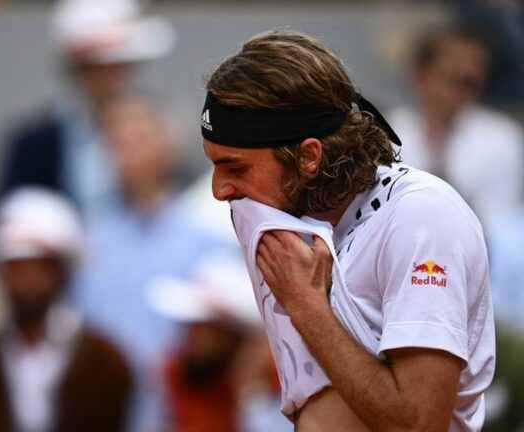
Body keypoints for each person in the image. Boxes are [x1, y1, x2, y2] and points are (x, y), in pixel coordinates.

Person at [200, 31, 495, 431]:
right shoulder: (285, 221)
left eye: (236, 168)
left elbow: (419, 425)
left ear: (308, 156)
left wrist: (307, 307)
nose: (220, 191)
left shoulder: (422, 217)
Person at [70, 94, 228, 429]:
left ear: (167, 146)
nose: (127, 154)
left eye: (138, 138)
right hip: (105, 413)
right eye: (115, 142)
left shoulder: (207, 238)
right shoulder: (87, 245)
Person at [0, 187, 133, 432]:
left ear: (63, 273)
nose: (26, 281)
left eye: (39, 268)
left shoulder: (107, 363)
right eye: (15, 268)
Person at [0, 0, 174, 217]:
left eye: (126, 65)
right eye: (109, 66)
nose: (121, 76)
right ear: (80, 69)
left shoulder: (156, 133)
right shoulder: (33, 144)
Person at [388, 24, 523, 225]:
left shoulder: (503, 138)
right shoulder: (382, 132)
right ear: (421, 77)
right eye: (451, 77)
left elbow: (502, 223)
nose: (459, 91)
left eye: (469, 82)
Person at [148, 253, 291, 432]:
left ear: (234, 335)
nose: (192, 336)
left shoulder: (279, 386)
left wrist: (250, 392)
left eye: (205, 327)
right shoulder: (179, 371)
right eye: (191, 325)